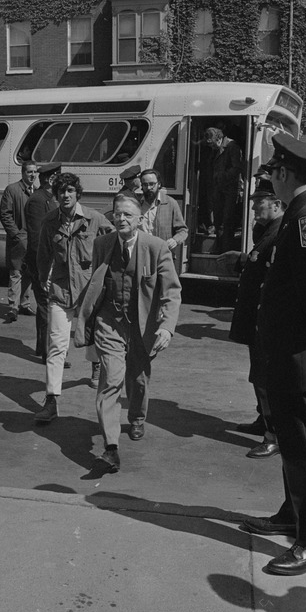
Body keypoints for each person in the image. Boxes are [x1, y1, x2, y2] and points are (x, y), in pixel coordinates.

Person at [241, 132, 306, 576]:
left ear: (287, 173)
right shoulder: (298, 213)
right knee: (293, 445)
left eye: (272, 171)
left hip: (303, 359)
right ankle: (293, 514)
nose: (269, 178)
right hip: (289, 355)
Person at [74, 194, 182, 471]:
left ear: (139, 219)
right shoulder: (103, 244)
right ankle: (111, 447)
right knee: (111, 379)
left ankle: (136, 418)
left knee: (138, 379)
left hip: (143, 326)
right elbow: (97, 283)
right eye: (117, 214)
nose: (121, 219)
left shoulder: (156, 248)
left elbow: (171, 292)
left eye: (127, 215)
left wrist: (166, 328)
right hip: (110, 323)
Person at [35, 173, 113, 422]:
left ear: (78, 193)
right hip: (60, 291)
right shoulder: (49, 222)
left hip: (90, 292)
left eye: (70, 191)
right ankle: (51, 400)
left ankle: (101, 385)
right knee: (57, 346)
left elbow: (116, 242)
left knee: (97, 344)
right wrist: (42, 283)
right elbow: (42, 256)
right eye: (61, 192)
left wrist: (108, 277)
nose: (65, 196)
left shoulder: (94, 218)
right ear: (55, 195)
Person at [217, 176, 284, 458]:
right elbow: (258, 262)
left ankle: (273, 435)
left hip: (266, 319)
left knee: (266, 377)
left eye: (260, 204)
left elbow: (274, 275)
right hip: (256, 318)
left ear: (277, 204)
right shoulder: (267, 229)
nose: (254, 209)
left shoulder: (280, 232)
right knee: (258, 376)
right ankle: (262, 421)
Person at [24, 162, 62, 364]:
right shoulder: (38, 200)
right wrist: (46, 266)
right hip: (43, 262)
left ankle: (41, 346)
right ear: (50, 179)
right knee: (49, 306)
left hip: (48, 260)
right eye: (57, 178)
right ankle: (51, 354)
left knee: (44, 305)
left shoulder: (48, 198)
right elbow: (37, 237)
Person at [0, 160, 38, 322]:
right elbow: (5, 214)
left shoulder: (36, 192)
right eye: (29, 172)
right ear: (23, 173)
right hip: (19, 240)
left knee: (29, 273)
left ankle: (25, 303)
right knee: (16, 273)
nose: (33, 175)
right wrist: (16, 234)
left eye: (35, 172)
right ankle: (13, 307)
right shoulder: (12, 190)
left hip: (33, 240)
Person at [204, 127, 243, 253]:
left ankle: (225, 249)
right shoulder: (218, 149)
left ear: (220, 139)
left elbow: (237, 168)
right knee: (218, 219)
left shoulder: (232, 147)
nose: (212, 148)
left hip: (229, 189)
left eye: (213, 144)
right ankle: (220, 246)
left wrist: (222, 177)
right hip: (219, 189)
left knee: (227, 220)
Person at [139, 168, 189, 254]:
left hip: (162, 254)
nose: (148, 188)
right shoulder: (136, 205)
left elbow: (183, 230)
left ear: (159, 184)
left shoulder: (170, 203)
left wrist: (175, 240)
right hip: (141, 254)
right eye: (145, 185)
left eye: (152, 184)